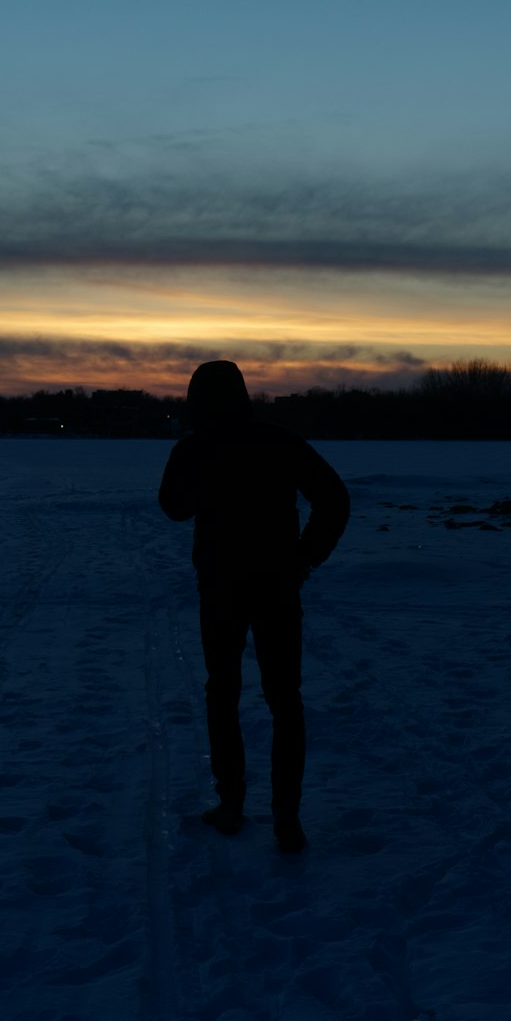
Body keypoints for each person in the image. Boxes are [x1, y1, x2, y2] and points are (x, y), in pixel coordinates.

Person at [158, 360, 350, 853]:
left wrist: (196, 460)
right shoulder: (279, 441)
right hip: (274, 585)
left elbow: (174, 508)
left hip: (225, 585)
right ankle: (286, 815)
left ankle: (233, 805)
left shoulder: (196, 446)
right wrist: (304, 558)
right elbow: (334, 499)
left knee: (224, 692)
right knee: (283, 699)